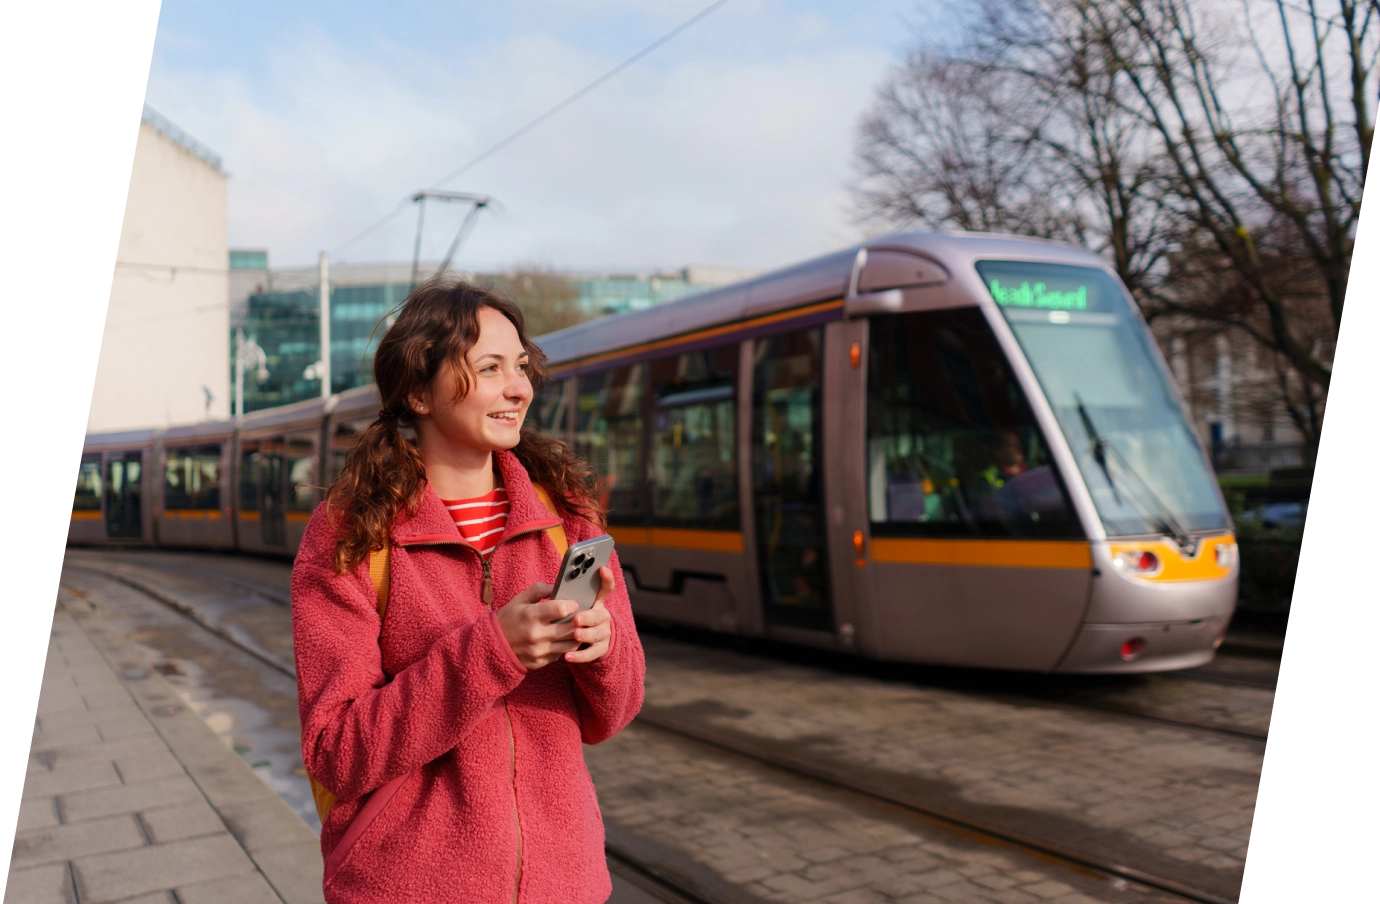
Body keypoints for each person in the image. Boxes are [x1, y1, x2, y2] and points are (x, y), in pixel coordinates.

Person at [290, 278, 645, 903]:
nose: (520, 388)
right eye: (490, 369)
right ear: (419, 394)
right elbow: (337, 753)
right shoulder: (350, 535)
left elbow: (613, 715)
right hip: (408, 886)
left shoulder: (567, 518)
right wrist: (492, 651)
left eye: (522, 366)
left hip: (565, 884)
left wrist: (604, 647)